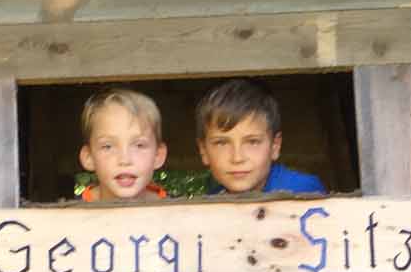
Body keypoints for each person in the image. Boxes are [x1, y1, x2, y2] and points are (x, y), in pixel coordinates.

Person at [195, 79, 325, 196]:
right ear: (203, 151)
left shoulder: (301, 190)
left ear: (275, 146)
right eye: (221, 143)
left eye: (252, 142)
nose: (237, 158)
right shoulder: (212, 200)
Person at [77, 88, 168, 201]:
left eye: (139, 145)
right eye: (108, 147)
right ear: (89, 157)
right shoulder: (69, 211)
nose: (125, 160)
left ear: (158, 155)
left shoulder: (177, 209)